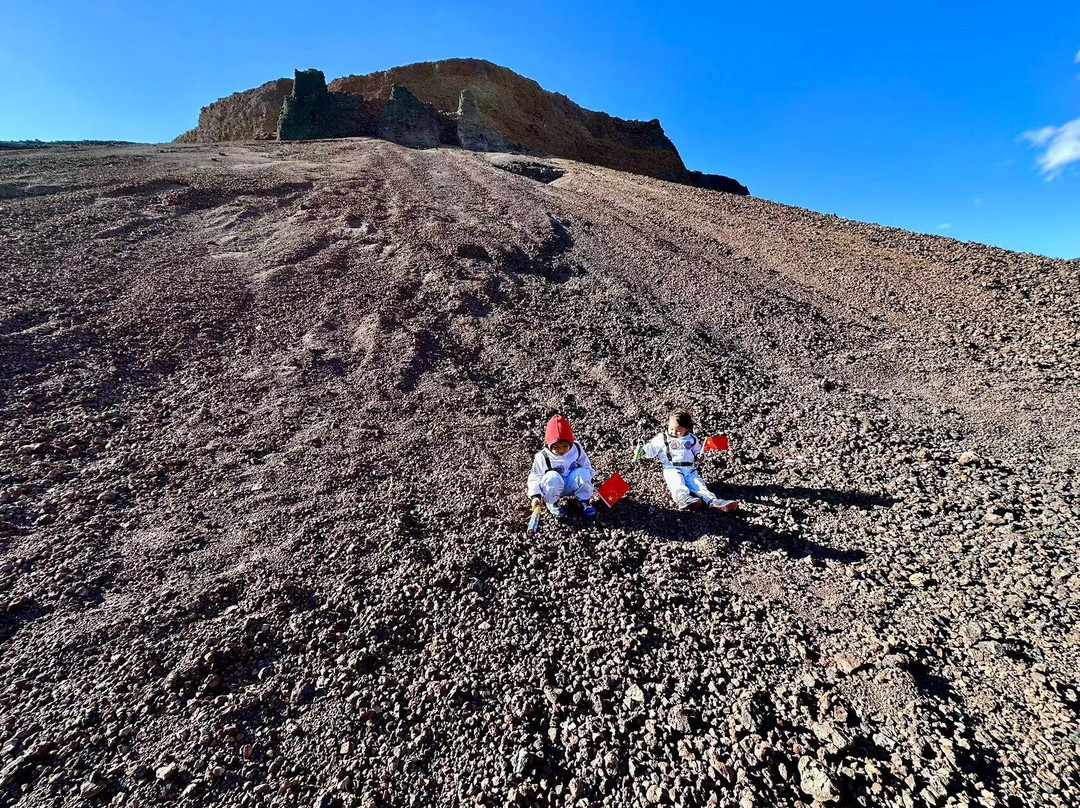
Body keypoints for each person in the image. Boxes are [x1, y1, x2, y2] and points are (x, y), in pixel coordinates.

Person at [636, 411, 738, 512]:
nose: (673, 432)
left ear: (687, 429)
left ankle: (713, 501)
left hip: (690, 470)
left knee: (699, 485)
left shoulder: (692, 439)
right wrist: (643, 451)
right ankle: (683, 499)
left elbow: (698, 450)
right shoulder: (662, 438)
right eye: (671, 428)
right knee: (676, 482)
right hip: (672, 468)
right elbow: (652, 447)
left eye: (678, 430)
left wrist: (700, 456)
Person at [527, 414, 597, 518]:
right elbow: (535, 476)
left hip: (571, 483)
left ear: (571, 443)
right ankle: (552, 502)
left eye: (565, 446)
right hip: (553, 487)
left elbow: (585, 463)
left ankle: (583, 500)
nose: (561, 450)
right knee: (552, 477)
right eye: (556, 447)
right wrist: (535, 496)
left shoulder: (576, 448)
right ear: (549, 445)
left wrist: (589, 482)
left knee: (583, 472)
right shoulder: (543, 456)